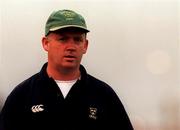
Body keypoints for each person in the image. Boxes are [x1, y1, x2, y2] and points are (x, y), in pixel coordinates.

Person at [0, 9, 134, 130]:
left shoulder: (104, 96)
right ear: (46, 43)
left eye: (77, 40)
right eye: (63, 39)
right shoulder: (22, 96)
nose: (71, 47)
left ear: (85, 45)